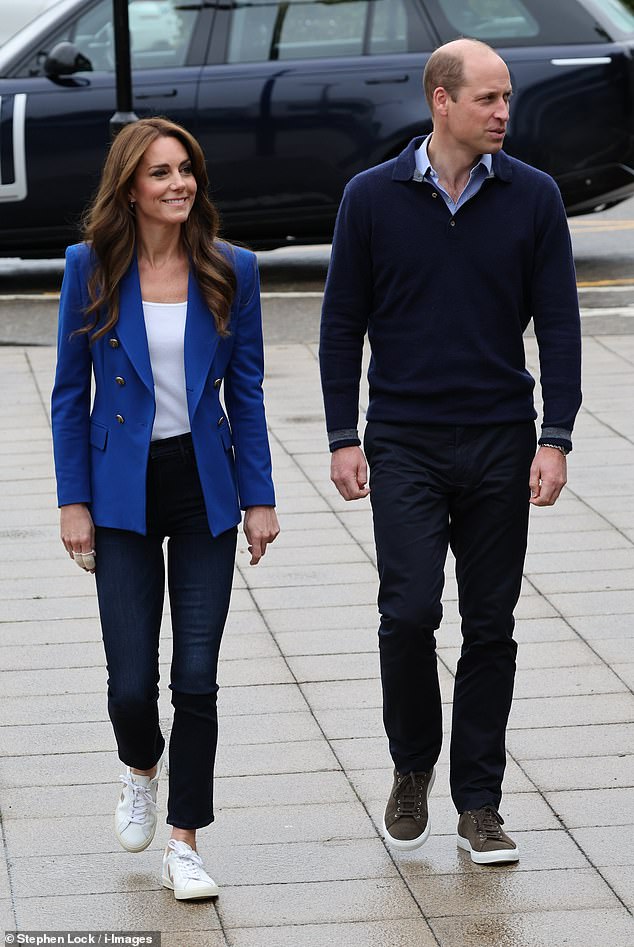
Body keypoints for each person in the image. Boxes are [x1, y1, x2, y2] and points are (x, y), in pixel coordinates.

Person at [319, 38, 581, 865]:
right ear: (442, 100)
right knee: (406, 613)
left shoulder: (534, 198)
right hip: (404, 439)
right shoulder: (371, 198)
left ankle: (480, 802)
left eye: (507, 98)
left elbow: (562, 324)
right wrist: (340, 434)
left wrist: (557, 435)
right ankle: (411, 765)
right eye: (488, 99)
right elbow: (339, 324)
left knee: (492, 623)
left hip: (504, 438)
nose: (505, 112)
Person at [51, 117, 279, 898]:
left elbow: (244, 391)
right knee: (128, 685)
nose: (179, 183)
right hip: (120, 484)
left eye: (186, 170)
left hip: (202, 481)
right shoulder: (89, 266)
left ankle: (185, 840)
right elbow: (66, 396)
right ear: (130, 188)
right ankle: (140, 764)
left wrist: (260, 499)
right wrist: (73, 500)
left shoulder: (230, 268)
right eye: (160, 173)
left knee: (198, 675)